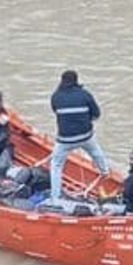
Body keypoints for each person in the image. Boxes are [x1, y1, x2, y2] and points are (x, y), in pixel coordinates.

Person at [47, 69, 110, 200]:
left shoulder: (56, 96)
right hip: (86, 135)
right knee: (95, 151)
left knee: (56, 165)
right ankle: (105, 172)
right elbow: (97, 114)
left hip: (65, 140)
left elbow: (55, 111)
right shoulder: (85, 94)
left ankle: (55, 197)